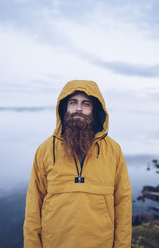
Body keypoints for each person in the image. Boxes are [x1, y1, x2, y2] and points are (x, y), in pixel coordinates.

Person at [23, 80, 132, 248]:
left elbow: (123, 204)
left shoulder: (113, 150)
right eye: (73, 102)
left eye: (85, 104)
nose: (78, 109)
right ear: (64, 108)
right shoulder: (45, 150)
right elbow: (33, 206)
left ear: (95, 110)